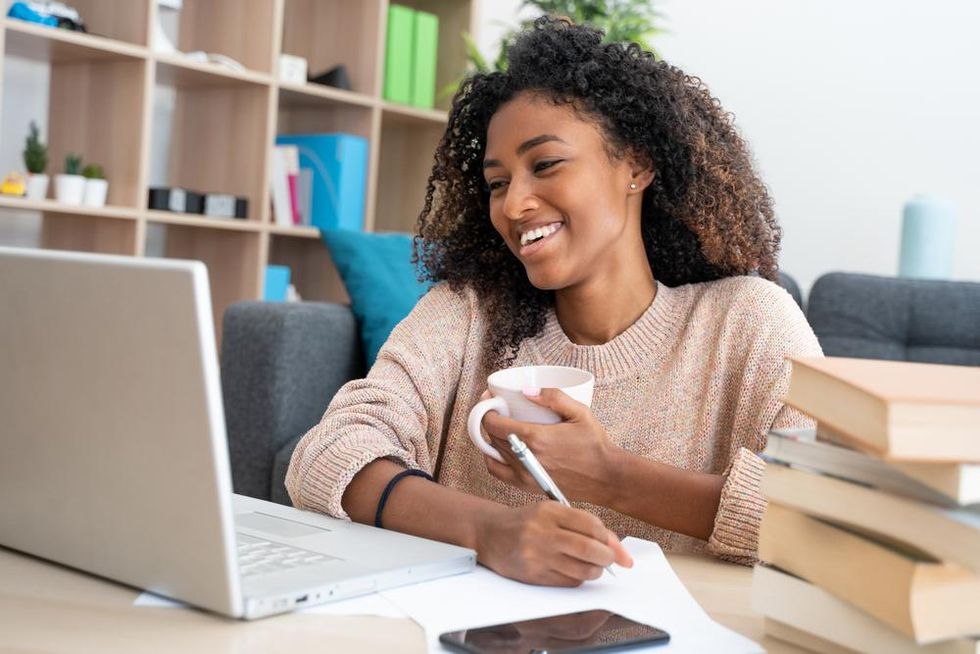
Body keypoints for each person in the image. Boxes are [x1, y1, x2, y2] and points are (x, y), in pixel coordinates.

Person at [286, 16, 822, 586]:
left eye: (545, 165)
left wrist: (610, 475)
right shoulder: (468, 314)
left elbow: (831, 519)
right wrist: (488, 531)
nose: (514, 205)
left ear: (636, 165)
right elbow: (326, 453)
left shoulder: (747, 321)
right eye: (497, 182)